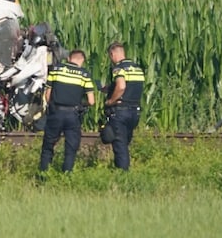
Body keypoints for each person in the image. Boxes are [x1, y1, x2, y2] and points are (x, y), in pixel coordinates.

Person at [38, 49, 95, 173]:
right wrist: (81, 104)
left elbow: (47, 95)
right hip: (73, 115)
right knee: (71, 147)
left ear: (69, 58)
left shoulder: (56, 70)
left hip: (56, 112)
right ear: (82, 60)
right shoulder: (84, 74)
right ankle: (66, 173)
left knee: (48, 145)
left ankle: (43, 174)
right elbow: (91, 101)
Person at [103, 41, 146, 171]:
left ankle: (123, 175)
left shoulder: (118, 68)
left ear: (112, 54)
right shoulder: (137, 68)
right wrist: (110, 88)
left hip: (121, 111)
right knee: (125, 142)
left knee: (120, 144)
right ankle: (121, 168)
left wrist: (111, 101)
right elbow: (132, 88)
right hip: (135, 112)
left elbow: (121, 86)